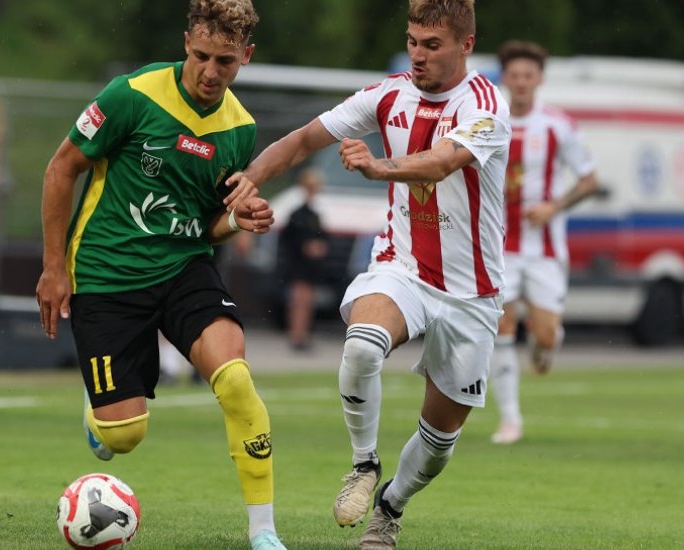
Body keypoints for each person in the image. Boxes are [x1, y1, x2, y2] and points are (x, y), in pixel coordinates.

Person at [228, 1, 509, 547]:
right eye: (413, 41)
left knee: (439, 443)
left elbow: (444, 160)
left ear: (465, 45)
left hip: (471, 293)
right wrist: (250, 179)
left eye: (433, 45)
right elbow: (303, 141)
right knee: (361, 346)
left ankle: (390, 507)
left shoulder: (486, 105)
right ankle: (363, 464)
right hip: (401, 266)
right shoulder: (386, 94)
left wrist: (377, 166)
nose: (418, 54)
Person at [34, 1, 286, 548]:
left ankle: (264, 532)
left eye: (225, 61)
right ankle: (101, 415)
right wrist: (55, 267)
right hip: (106, 273)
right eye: (200, 56)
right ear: (186, 44)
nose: (210, 72)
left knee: (236, 381)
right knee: (124, 435)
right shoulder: (131, 93)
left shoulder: (240, 129)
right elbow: (61, 168)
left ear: (246, 56)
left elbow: (211, 220)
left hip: (182, 268)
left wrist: (240, 218)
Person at [489, 40, 604, 445]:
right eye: (515, 75)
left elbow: (590, 180)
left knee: (546, 334)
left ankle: (545, 345)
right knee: (500, 325)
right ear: (505, 78)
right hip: (498, 246)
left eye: (528, 76)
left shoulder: (557, 125)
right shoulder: (487, 121)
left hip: (545, 249)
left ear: (539, 80)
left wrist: (554, 206)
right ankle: (510, 420)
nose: (521, 83)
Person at [278, 167, 329, 350]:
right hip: (298, 265)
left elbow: (323, 237)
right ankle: (296, 335)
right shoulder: (298, 214)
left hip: (310, 267)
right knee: (299, 301)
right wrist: (306, 247)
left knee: (307, 302)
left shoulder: (314, 215)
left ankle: (303, 334)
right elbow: (291, 240)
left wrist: (319, 247)